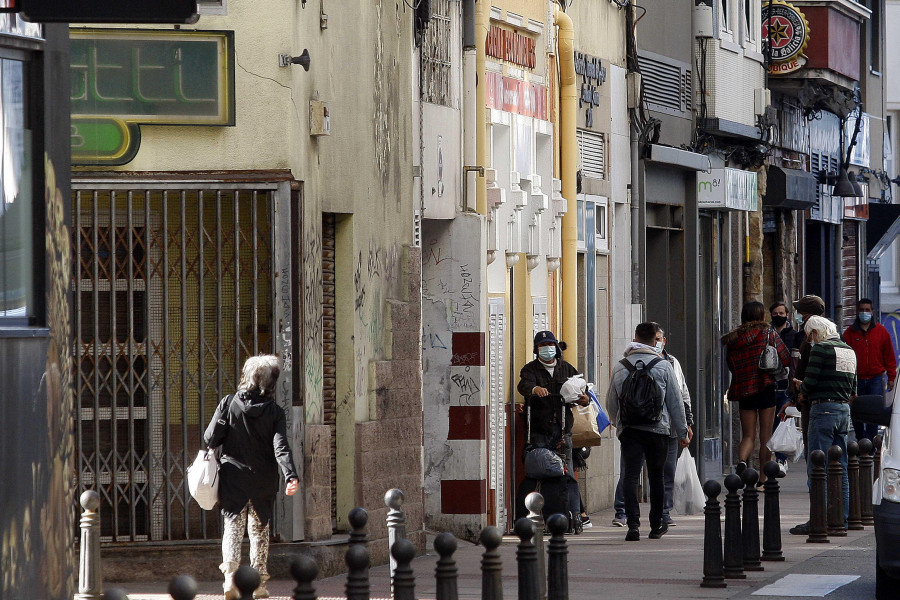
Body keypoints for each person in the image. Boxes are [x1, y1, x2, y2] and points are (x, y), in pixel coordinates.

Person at [204, 355, 299, 600]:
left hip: (233, 478)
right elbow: (281, 447)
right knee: (259, 531)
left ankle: (229, 581)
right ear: (271, 383)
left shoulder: (229, 402)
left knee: (233, 529)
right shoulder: (275, 412)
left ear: (247, 377)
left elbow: (210, 438)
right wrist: (290, 475)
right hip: (262, 481)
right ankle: (259, 584)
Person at [607, 322, 689, 541]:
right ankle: (656, 526)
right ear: (656, 340)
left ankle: (633, 525)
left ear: (635, 337)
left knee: (631, 476)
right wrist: (682, 432)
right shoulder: (663, 366)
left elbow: (611, 403)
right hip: (658, 430)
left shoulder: (621, 366)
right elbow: (675, 402)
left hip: (631, 431)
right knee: (657, 477)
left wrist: (620, 426)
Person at [786, 316, 856, 534]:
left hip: (823, 410)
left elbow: (810, 383)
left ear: (815, 333)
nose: (810, 340)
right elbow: (854, 388)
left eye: (809, 335)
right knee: (841, 466)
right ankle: (840, 518)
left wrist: (800, 385)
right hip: (843, 411)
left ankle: (819, 519)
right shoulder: (848, 350)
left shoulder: (821, 350)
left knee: (818, 466)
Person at [517, 330, 589, 532]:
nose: (546, 349)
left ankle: (574, 516)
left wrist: (584, 398)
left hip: (563, 429)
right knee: (539, 472)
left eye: (549, 344)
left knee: (567, 474)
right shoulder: (530, 369)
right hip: (539, 430)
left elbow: (583, 391)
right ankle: (538, 515)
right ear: (536, 349)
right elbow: (524, 384)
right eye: (541, 346)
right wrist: (534, 390)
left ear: (556, 347)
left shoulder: (567, 368)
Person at [723, 301, 790, 485]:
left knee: (748, 435)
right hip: (765, 387)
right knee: (766, 436)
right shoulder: (768, 332)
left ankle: (742, 461)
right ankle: (762, 478)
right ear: (761, 315)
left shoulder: (734, 338)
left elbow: (731, 364)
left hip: (744, 390)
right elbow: (785, 357)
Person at [843, 298, 897, 442]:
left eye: (867, 310)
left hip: (876, 379)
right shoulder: (849, 333)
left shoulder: (881, 332)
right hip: (856, 380)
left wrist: (891, 377)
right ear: (857, 312)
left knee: (874, 412)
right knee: (857, 413)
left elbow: (889, 356)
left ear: (872, 312)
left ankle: (872, 444)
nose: (864, 313)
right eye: (862, 310)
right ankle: (861, 442)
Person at [770, 301, 798, 475]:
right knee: (773, 424)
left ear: (787, 315)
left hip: (787, 385)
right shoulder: (768, 333)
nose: (779, 315)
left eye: (782, 313)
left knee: (783, 421)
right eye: (776, 313)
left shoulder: (793, 335)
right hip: (771, 385)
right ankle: (777, 456)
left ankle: (781, 458)